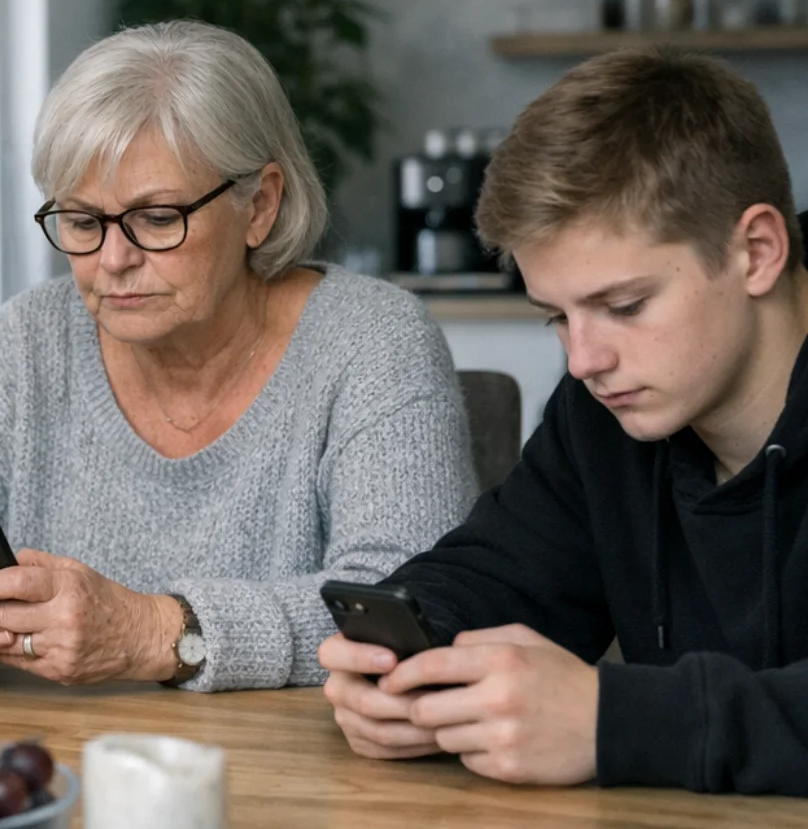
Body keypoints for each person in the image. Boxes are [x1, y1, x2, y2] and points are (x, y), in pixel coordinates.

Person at [0, 21, 475, 690]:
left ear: (261, 205)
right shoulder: (32, 337)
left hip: (295, 777)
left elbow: (408, 606)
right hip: (48, 768)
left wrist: (160, 633)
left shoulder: (374, 341)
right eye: (81, 220)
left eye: (158, 218)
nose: (112, 260)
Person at [319, 48, 808, 796]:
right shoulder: (605, 410)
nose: (582, 359)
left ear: (757, 251)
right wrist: (404, 659)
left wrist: (614, 721)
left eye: (624, 306)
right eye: (556, 315)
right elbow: (499, 569)